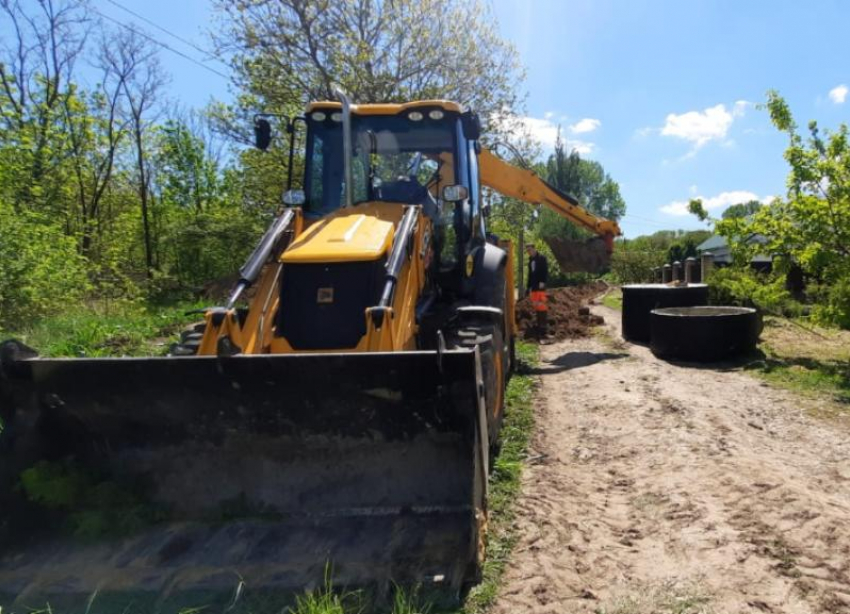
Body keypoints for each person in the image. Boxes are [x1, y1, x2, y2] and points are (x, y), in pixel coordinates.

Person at [525, 244, 549, 337]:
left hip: (541, 286)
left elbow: (545, 271)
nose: (529, 252)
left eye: (530, 250)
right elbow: (530, 275)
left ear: (534, 249)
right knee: (536, 306)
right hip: (534, 287)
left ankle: (543, 328)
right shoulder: (530, 261)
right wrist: (528, 287)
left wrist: (543, 281)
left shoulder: (542, 258)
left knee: (542, 306)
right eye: (527, 251)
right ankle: (539, 327)